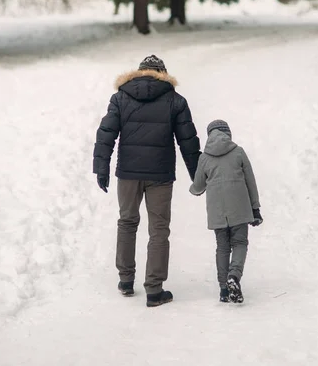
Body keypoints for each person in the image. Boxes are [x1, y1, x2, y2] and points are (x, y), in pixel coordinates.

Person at [93, 55, 201, 307]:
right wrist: (198, 174)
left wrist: (101, 167)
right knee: (159, 230)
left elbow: (106, 134)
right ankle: (154, 289)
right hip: (160, 175)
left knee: (127, 222)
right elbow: (188, 140)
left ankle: (126, 280)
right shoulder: (175, 100)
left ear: (139, 73)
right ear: (163, 74)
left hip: (128, 174)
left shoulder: (120, 98)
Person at [190, 119, 262, 303]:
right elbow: (250, 181)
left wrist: (195, 190)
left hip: (217, 210)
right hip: (240, 206)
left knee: (222, 246)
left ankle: (223, 288)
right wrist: (255, 208)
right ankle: (234, 276)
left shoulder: (204, 158)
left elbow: (198, 186)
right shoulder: (238, 152)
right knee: (239, 242)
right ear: (228, 134)